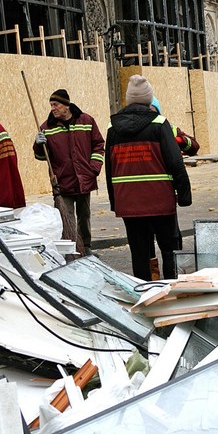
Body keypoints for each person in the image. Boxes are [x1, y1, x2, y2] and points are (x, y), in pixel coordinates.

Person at [106, 75, 192, 280]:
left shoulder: (113, 128)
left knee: (140, 252)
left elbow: (110, 169)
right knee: (170, 247)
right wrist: (184, 195)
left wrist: (114, 201)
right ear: (148, 98)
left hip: (128, 204)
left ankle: (146, 288)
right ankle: (171, 286)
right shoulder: (159, 124)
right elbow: (175, 162)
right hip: (159, 201)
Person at [33, 88, 105, 255]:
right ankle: (72, 249)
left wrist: (94, 168)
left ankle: (86, 247)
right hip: (63, 181)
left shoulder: (86, 121)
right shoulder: (46, 127)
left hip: (84, 179)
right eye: (51, 105)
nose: (53, 108)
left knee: (84, 216)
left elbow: (98, 145)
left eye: (56, 104)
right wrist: (38, 144)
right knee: (67, 219)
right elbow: (41, 156)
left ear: (66, 105)